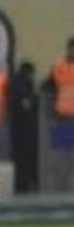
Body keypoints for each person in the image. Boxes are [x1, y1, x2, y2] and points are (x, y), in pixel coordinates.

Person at [42, 36, 74, 191]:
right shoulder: (58, 67)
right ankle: (60, 187)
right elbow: (46, 89)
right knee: (61, 156)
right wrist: (52, 113)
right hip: (62, 118)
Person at [9, 61, 40, 194]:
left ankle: (24, 185)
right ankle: (24, 186)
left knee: (22, 159)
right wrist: (35, 100)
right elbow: (26, 105)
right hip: (24, 130)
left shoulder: (17, 85)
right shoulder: (22, 87)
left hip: (19, 130)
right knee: (25, 159)